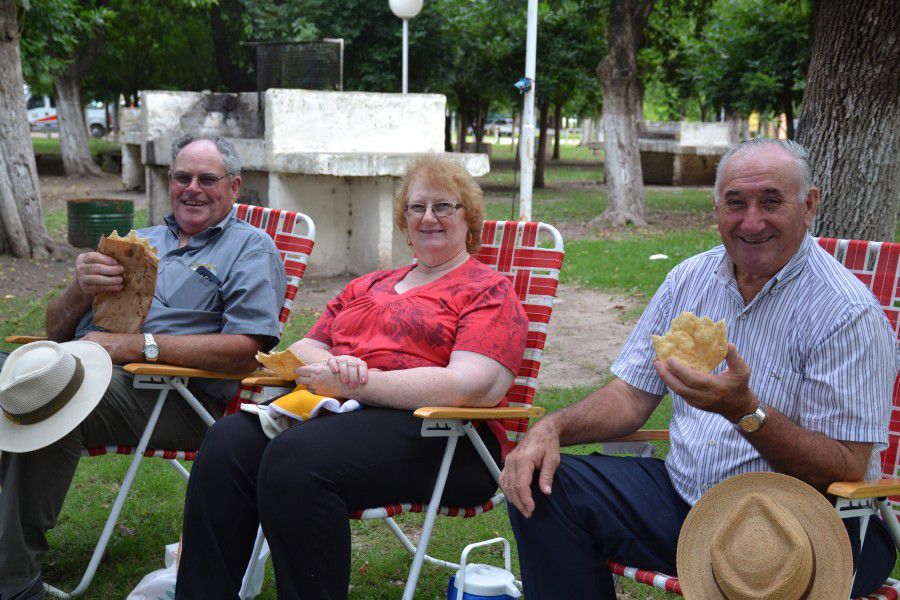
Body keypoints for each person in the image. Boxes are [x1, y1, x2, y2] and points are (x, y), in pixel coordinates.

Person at [499, 138, 898, 598]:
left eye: (771, 201)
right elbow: (631, 395)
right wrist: (551, 428)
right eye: (735, 203)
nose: (751, 222)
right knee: (546, 485)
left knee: (760, 571)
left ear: (809, 206)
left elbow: (844, 468)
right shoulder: (689, 278)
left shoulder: (846, 314)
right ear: (716, 208)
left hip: (808, 524)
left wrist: (745, 411)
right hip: (687, 500)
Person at [175, 154, 529, 599]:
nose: (428, 217)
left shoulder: (488, 290)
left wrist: (362, 383)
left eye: (444, 206)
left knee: (294, 460)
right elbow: (307, 346)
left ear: (469, 219)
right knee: (229, 442)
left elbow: (473, 385)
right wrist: (332, 368)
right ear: (404, 220)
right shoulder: (368, 285)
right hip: (339, 414)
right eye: (416, 207)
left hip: (450, 436)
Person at [0, 134, 287, 600]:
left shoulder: (250, 249)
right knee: (14, 382)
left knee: (50, 397)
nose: (191, 188)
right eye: (182, 177)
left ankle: (12, 581)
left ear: (234, 188)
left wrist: (138, 345)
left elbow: (246, 349)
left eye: (207, 179)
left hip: (176, 397)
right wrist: (80, 289)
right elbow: (54, 330)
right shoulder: (140, 240)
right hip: (87, 364)